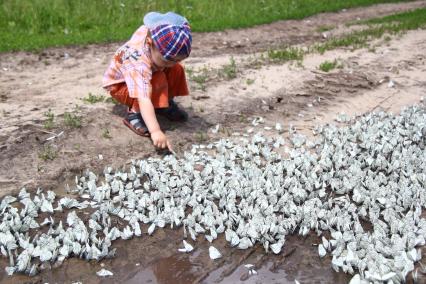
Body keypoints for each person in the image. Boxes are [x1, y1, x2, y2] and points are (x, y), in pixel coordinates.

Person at [102, 12, 192, 151]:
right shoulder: (138, 64)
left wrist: (173, 63)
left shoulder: (153, 32)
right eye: (167, 60)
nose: (172, 63)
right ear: (150, 44)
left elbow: (178, 25)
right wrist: (155, 131)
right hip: (120, 86)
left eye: (178, 58)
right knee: (156, 80)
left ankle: (163, 104)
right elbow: (143, 97)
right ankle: (135, 114)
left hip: (143, 73)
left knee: (177, 69)